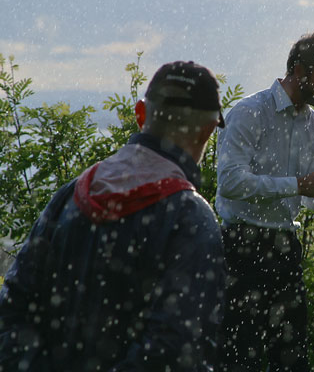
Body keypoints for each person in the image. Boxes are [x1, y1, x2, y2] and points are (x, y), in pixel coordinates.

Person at [0, 61, 227, 372]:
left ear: (140, 114)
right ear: (208, 130)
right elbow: (175, 350)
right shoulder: (191, 217)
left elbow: (12, 308)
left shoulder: (71, 195)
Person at [216, 32, 314, 372]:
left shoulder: (312, 124)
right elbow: (230, 182)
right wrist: (299, 184)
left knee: (292, 357)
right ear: (299, 70)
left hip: (284, 248)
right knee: (238, 356)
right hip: (239, 247)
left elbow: (309, 200)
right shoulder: (250, 112)